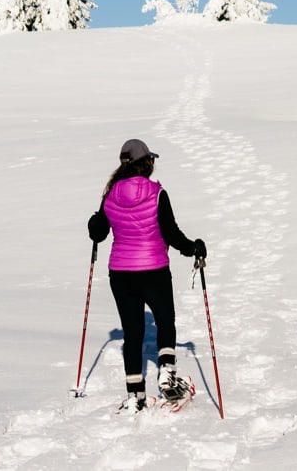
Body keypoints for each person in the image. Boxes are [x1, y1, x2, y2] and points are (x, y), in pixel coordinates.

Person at [87, 137, 207, 412]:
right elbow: (171, 233)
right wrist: (194, 248)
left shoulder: (111, 194)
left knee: (132, 334)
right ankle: (166, 370)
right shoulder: (157, 193)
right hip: (153, 270)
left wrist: (94, 222)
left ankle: (135, 396)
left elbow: (99, 233)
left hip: (121, 273)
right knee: (165, 321)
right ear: (147, 163)